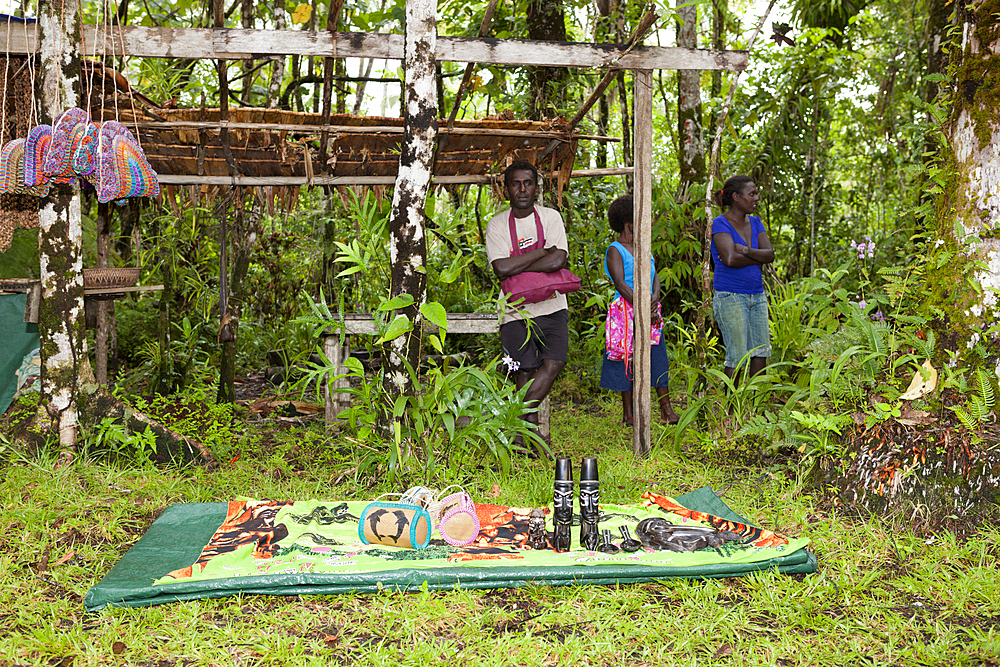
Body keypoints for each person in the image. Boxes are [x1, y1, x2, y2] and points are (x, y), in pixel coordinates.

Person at [485, 160, 569, 456]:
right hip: (514, 310)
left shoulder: (550, 218)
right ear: (506, 189)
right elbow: (501, 268)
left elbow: (559, 261)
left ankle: (514, 423)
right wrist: (541, 253)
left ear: (536, 186)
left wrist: (519, 265)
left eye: (528, 183)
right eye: (516, 184)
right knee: (524, 369)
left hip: (552, 305)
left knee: (555, 361)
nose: (522, 189)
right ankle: (527, 440)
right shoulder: (497, 224)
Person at [599, 194, 679, 427]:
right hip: (625, 312)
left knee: (658, 356)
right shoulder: (615, 249)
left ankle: (666, 409)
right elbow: (620, 284)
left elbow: (656, 278)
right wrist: (642, 306)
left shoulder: (644, 247)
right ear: (628, 223)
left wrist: (654, 298)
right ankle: (629, 414)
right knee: (626, 359)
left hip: (650, 309)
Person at [710, 175, 775, 388]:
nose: (756, 198)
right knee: (737, 356)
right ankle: (732, 411)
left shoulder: (756, 222)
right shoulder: (720, 223)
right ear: (736, 197)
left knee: (761, 352)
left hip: (757, 295)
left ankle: (753, 406)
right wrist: (756, 258)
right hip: (730, 296)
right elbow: (729, 259)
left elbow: (770, 255)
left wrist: (746, 250)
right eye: (752, 194)